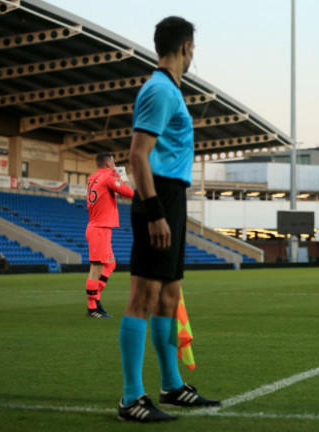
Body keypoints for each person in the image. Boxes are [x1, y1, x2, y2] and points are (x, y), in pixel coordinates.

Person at [117, 16, 220, 423]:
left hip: (172, 197)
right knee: (144, 295)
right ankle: (130, 398)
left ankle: (171, 385)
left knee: (169, 296)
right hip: (157, 198)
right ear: (185, 47)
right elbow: (137, 155)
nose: (194, 54)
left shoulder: (170, 91)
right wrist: (156, 212)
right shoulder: (159, 89)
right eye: (193, 48)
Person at [85, 153, 134, 318]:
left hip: (100, 227)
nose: (115, 165)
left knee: (110, 264)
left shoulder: (93, 177)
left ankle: (96, 299)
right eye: (113, 162)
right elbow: (128, 193)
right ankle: (92, 308)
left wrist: (116, 177)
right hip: (99, 228)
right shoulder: (107, 177)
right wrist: (123, 177)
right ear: (108, 164)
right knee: (96, 269)